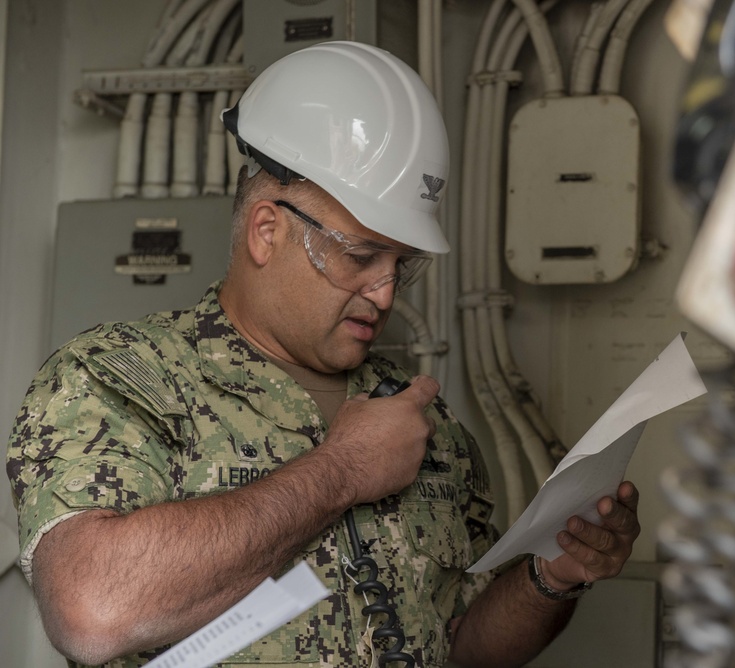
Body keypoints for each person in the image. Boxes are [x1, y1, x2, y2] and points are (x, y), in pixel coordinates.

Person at [6, 41, 640, 668]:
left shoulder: (423, 424)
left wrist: (553, 576)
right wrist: (342, 470)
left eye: (402, 265)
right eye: (361, 256)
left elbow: (458, 644)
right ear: (267, 230)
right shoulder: (123, 379)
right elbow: (91, 612)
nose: (386, 291)